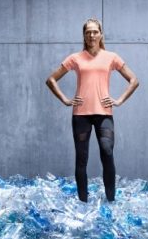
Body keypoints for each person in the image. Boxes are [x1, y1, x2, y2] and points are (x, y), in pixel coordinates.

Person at [45, 18, 140, 203]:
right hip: (81, 115)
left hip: (104, 113)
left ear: (101, 34)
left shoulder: (111, 57)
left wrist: (119, 100)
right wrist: (66, 99)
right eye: (88, 32)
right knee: (82, 158)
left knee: (107, 152)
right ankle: (83, 202)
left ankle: (111, 201)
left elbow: (134, 80)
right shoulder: (75, 58)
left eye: (95, 31)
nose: (91, 35)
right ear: (84, 35)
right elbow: (51, 80)